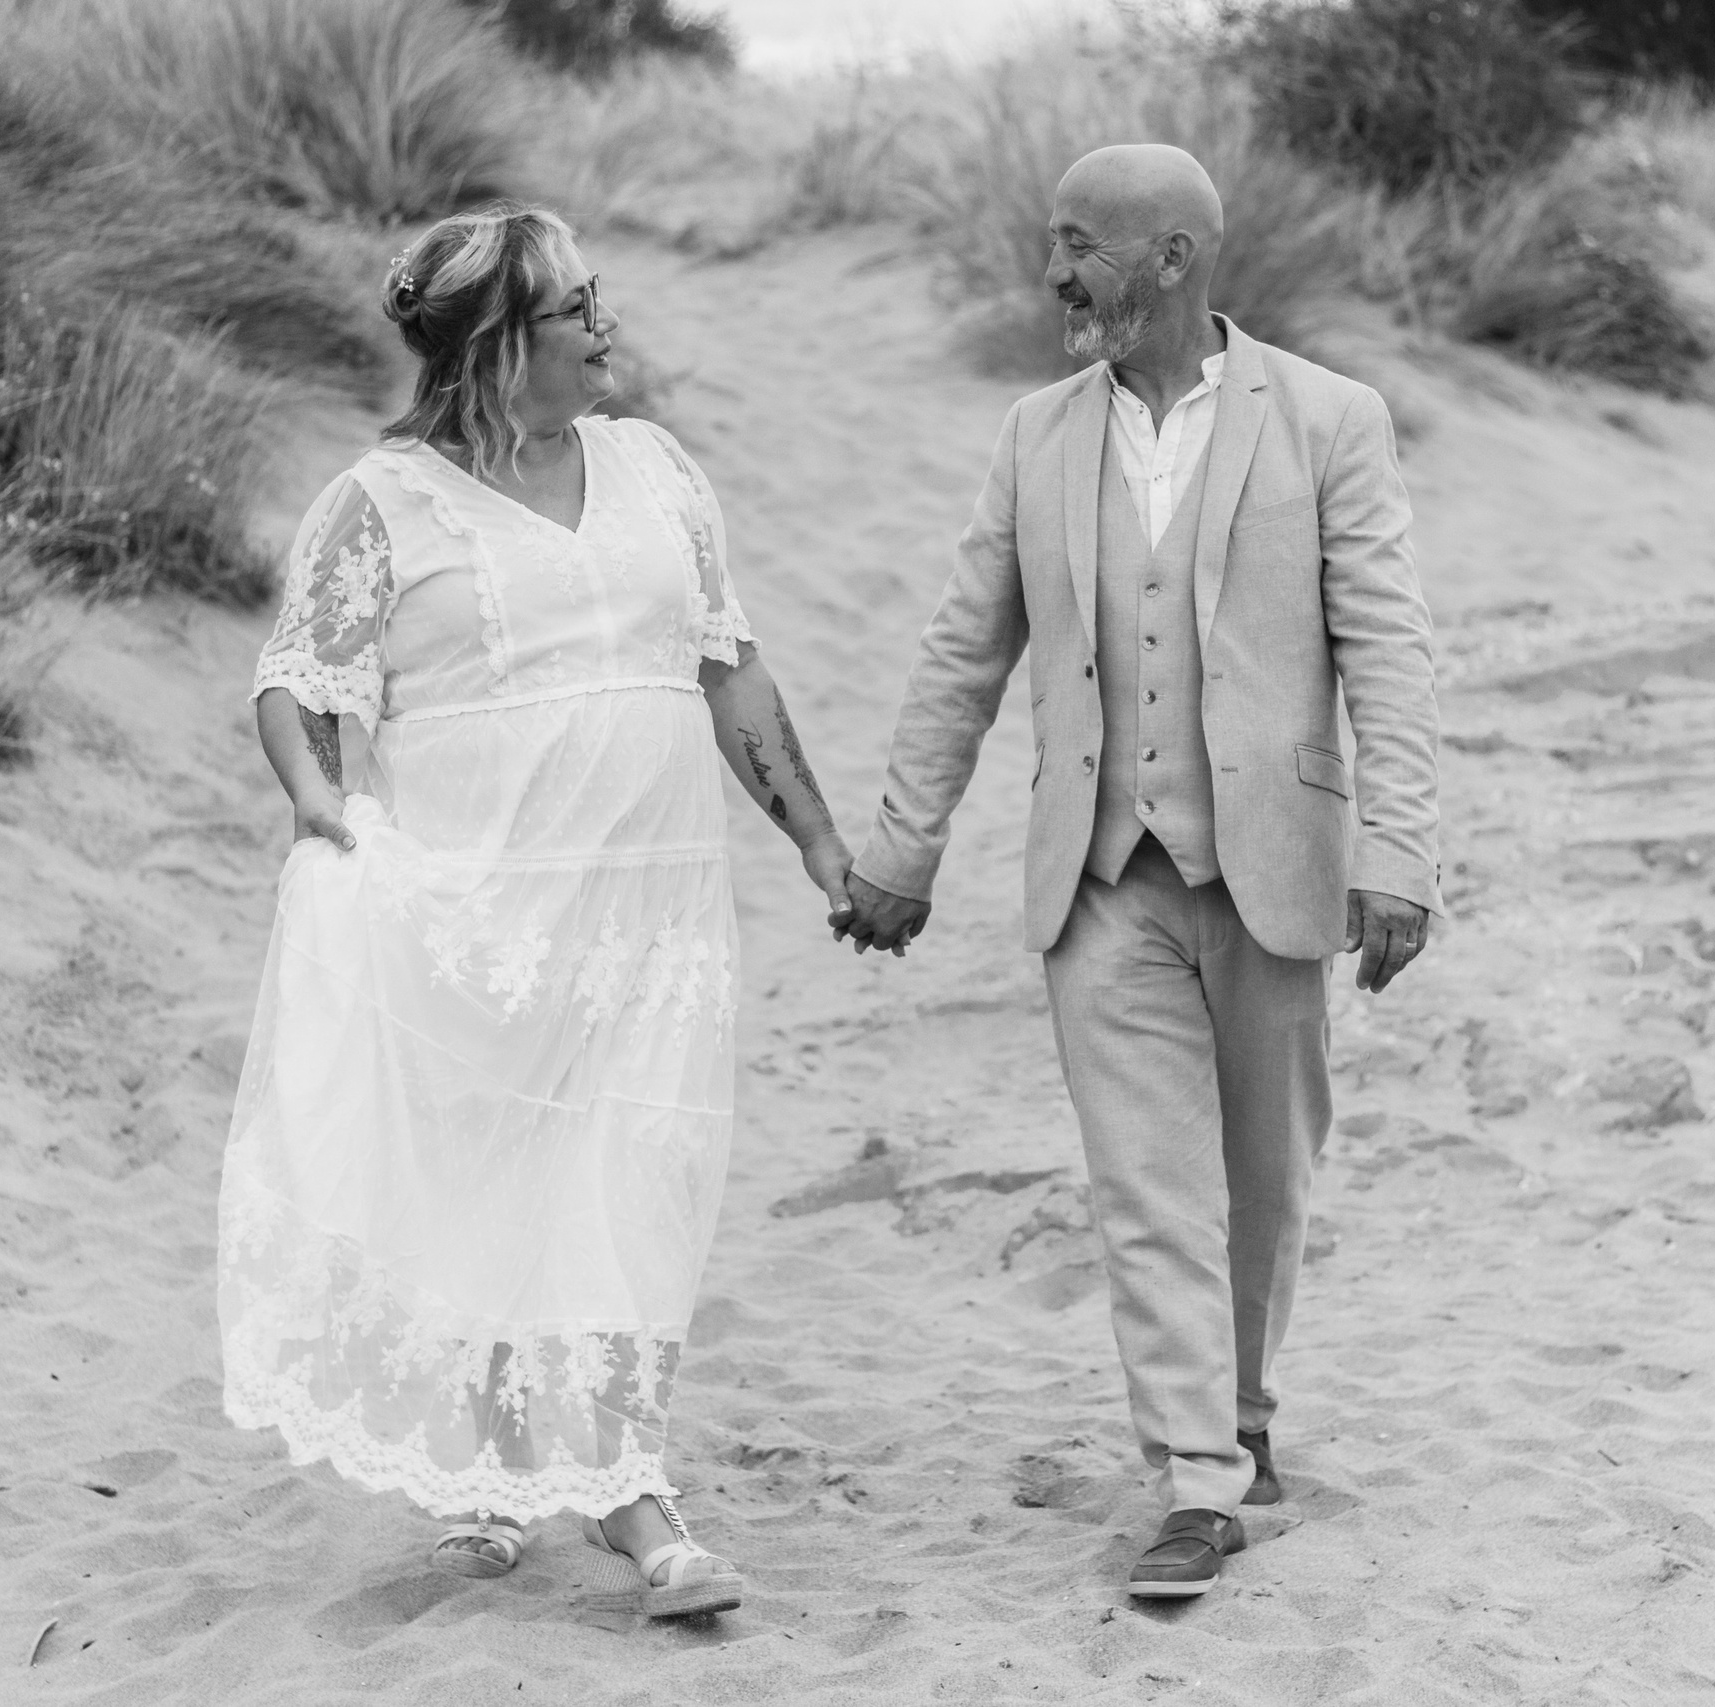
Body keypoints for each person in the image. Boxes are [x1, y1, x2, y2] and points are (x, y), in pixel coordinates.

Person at [218, 204, 852, 1619]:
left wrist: (816, 839)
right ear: (500, 344)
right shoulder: (382, 504)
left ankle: (631, 1488)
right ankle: (496, 1473)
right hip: (484, 914)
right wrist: (320, 806)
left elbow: (730, 668)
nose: (604, 326)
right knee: (492, 1176)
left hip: (655, 918)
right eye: (575, 309)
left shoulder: (655, 470)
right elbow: (296, 681)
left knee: (631, 1173)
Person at [839, 145, 1442, 1598]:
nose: (1054, 273)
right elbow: (959, 656)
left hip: (1274, 864)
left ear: (1172, 258)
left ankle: (1240, 1412)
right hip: (1100, 875)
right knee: (1144, 1185)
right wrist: (902, 850)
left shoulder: (1330, 420)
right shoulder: (1035, 435)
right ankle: (1194, 1478)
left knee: (1264, 1181)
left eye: (1077, 245)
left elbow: (1389, 649)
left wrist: (1402, 854)